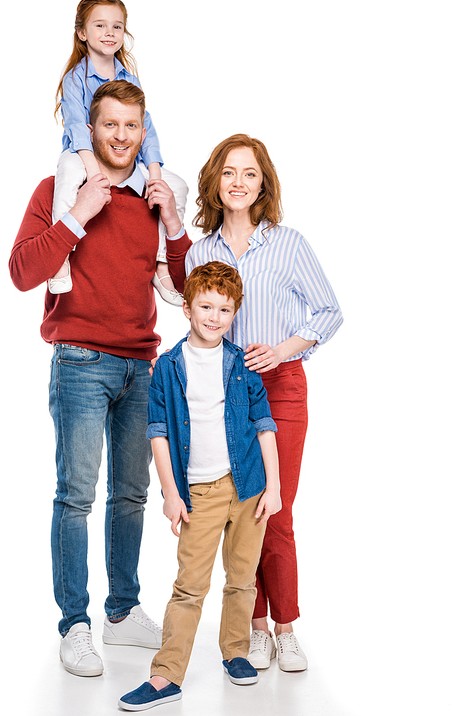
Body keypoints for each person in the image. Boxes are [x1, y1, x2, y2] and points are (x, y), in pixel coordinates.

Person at [9, 79, 192, 677]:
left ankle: (120, 611)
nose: (120, 136)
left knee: (133, 496)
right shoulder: (59, 189)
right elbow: (22, 270)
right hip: (81, 362)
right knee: (76, 497)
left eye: (131, 126)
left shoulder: (151, 197)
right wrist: (78, 215)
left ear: (145, 133)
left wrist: (173, 225)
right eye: (109, 124)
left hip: (140, 365)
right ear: (90, 129)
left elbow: (190, 293)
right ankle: (75, 625)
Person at [186, 134, 343, 673]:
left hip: (281, 387)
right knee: (240, 514)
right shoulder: (200, 251)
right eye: (228, 172)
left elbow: (328, 312)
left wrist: (281, 351)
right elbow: (190, 310)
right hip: (222, 395)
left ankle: (287, 627)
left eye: (249, 174)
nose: (238, 182)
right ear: (215, 181)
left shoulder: (289, 244)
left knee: (275, 510)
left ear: (263, 183)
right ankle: (254, 628)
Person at [119, 262, 281, 711]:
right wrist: (171, 493)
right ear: (187, 308)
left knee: (242, 579)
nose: (214, 316)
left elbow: (264, 426)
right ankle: (165, 676)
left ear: (235, 313)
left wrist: (275, 486)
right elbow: (159, 434)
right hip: (201, 493)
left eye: (224, 309)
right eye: (205, 306)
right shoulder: (168, 367)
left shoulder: (241, 364)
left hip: (249, 486)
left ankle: (236, 652)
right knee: (190, 587)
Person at [49, 0, 187, 304]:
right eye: (100, 26)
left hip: (127, 158)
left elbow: (145, 127)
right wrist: (95, 174)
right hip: (85, 156)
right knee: (67, 175)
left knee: (175, 186)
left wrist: (154, 174)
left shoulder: (130, 78)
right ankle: (61, 259)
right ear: (83, 33)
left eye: (117, 26)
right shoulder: (75, 79)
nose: (110, 33)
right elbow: (75, 129)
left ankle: (161, 263)